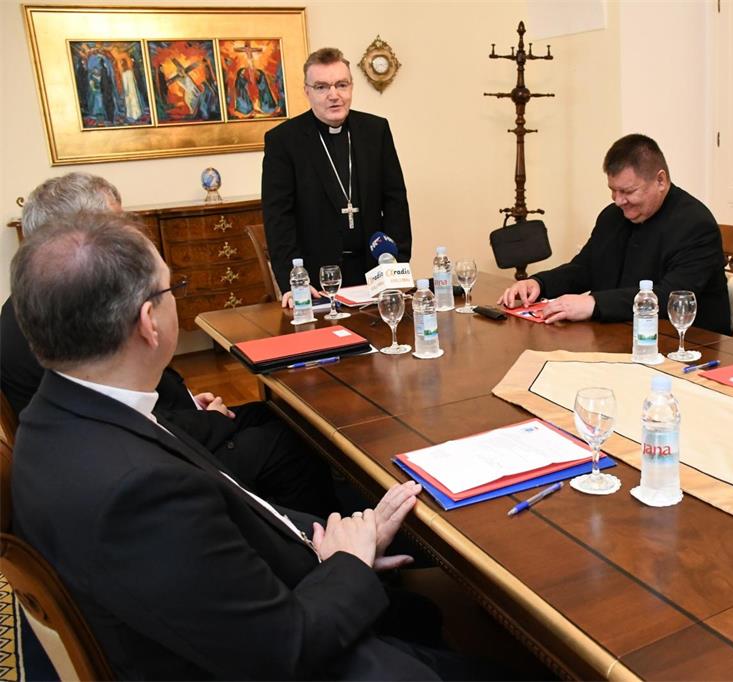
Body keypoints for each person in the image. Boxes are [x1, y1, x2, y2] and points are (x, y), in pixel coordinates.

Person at [8, 212, 455, 679]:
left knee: (420, 611)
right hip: (288, 653)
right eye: (171, 289)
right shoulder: (138, 492)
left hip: (254, 599)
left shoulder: (59, 415)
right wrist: (347, 563)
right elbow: (285, 649)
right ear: (148, 322)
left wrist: (339, 537)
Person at [0, 173, 338, 517]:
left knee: (284, 415)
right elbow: (130, 415)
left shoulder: (37, 304)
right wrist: (208, 420)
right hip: (161, 448)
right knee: (290, 443)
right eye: (115, 225)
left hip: (162, 423)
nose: (126, 237)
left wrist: (190, 402)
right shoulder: (61, 315)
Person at [498, 134, 731, 332]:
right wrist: (539, 283)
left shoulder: (696, 225)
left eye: (628, 191)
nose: (618, 201)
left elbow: (668, 296)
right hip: (617, 333)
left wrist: (593, 304)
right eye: (613, 190)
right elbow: (585, 268)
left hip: (684, 344)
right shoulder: (612, 216)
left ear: (660, 181)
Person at [262, 47, 411, 301]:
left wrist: (397, 263)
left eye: (341, 85)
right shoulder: (284, 140)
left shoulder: (375, 131)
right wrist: (293, 282)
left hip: (376, 273)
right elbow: (278, 218)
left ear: (351, 87)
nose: (334, 95)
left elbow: (395, 201)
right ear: (307, 91)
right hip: (316, 282)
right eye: (321, 87)